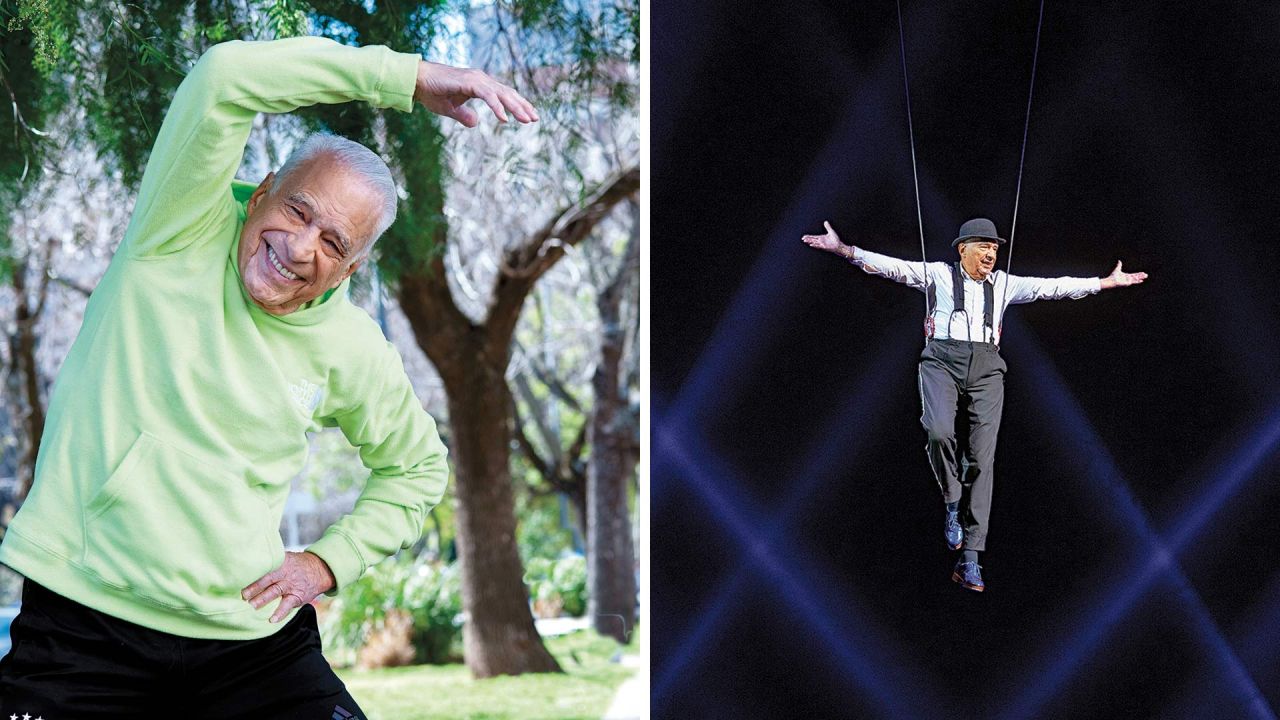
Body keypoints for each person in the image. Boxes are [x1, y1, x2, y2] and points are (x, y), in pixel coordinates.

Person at [0, 36, 536, 717]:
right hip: (86, 625)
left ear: (350, 271)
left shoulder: (349, 345)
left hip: (248, 639)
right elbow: (226, 75)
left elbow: (418, 469)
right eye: (299, 211)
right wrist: (409, 77)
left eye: (335, 243)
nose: (302, 248)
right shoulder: (177, 231)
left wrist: (326, 562)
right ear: (260, 195)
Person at [801, 218, 1147, 592]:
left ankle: (971, 560)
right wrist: (844, 250)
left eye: (995, 249)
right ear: (962, 248)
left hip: (986, 367)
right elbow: (892, 267)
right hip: (941, 361)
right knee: (938, 431)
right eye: (983, 246)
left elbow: (1053, 287)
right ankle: (952, 499)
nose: (990, 254)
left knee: (983, 459)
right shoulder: (936, 275)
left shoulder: (1004, 284)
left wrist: (1104, 283)